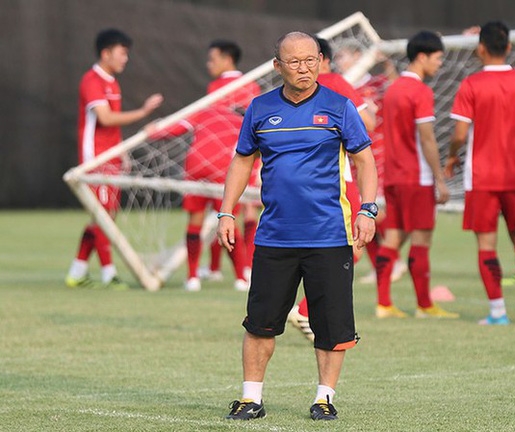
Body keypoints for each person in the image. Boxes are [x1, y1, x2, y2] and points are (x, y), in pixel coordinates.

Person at [218, 31, 377, 421]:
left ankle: (324, 398)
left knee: (331, 324)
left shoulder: (340, 107)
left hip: (330, 235)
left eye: (311, 60)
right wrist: (226, 211)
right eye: (294, 61)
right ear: (278, 67)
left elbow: (365, 161)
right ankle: (250, 397)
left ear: (321, 61)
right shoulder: (259, 109)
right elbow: (242, 161)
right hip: (275, 237)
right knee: (260, 322)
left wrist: (367, 210)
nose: (304, 68)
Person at [445, 21, 515, 325]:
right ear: (508, 48)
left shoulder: (472, 84)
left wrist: (452, 158)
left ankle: (497, 312)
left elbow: (460, 134)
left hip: (482, 177)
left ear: (480, 48)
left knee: (486, 244)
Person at [286, 36, 375, 342]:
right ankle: (306, 310)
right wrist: (370, 110)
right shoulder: (335, 81)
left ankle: (308, 312)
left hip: (295, 186)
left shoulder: (288, 91)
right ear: (325, 58)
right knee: (349, 251)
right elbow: (367, 122)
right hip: (335, 182)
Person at [65, 28, 163, 290]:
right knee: (104, 217)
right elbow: (105, 118)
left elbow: (111, 128)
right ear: (106, 53)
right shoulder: (92, 80)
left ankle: (77, 272)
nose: (125, 59)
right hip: (95, 159)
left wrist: (122, 152)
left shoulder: (111, 82)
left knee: (104, 216)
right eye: (122, 53)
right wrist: (143, 113)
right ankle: (109, 274)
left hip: (111, 157)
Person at [374, 31, 457, 320]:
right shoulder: (420, 91)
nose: (440, 65)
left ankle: (383, 303)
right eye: (438, 59)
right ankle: (424, 305)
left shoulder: (393, 89)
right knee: (422, 240)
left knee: (393, 238)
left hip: (393, 176)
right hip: (416, 176)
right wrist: (439, 178)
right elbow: (427, 138)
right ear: (422, 57)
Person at [146, 106, 245, 292]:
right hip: (222, 173)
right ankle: (241, 278)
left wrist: (155, 130)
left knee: (195, 224)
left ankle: (192, 278)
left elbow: (177, 127)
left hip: (195, 169)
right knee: (230, 224)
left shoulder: (205, 111)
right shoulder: (244, 120)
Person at [334, 41, 408, 285]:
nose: (338, 61)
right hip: (350, 157)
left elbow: (397, 91)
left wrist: (386, 62)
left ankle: (392, 259)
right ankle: (381, 265)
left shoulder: (375, 83)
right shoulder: (340, 86)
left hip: (376, 154)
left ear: (358, 56)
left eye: (342, 55)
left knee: (376, 211)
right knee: (361, 212)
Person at [197, 40, 261, 290]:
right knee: (229, 212)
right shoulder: (216, 85)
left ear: (227, 59)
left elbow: (253, 119)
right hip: (229, 158)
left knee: (242, 210)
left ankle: (248, 267)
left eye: (212, 59)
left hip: (242, 156)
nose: (208, 64)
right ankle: (218, 268)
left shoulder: (247, 85)